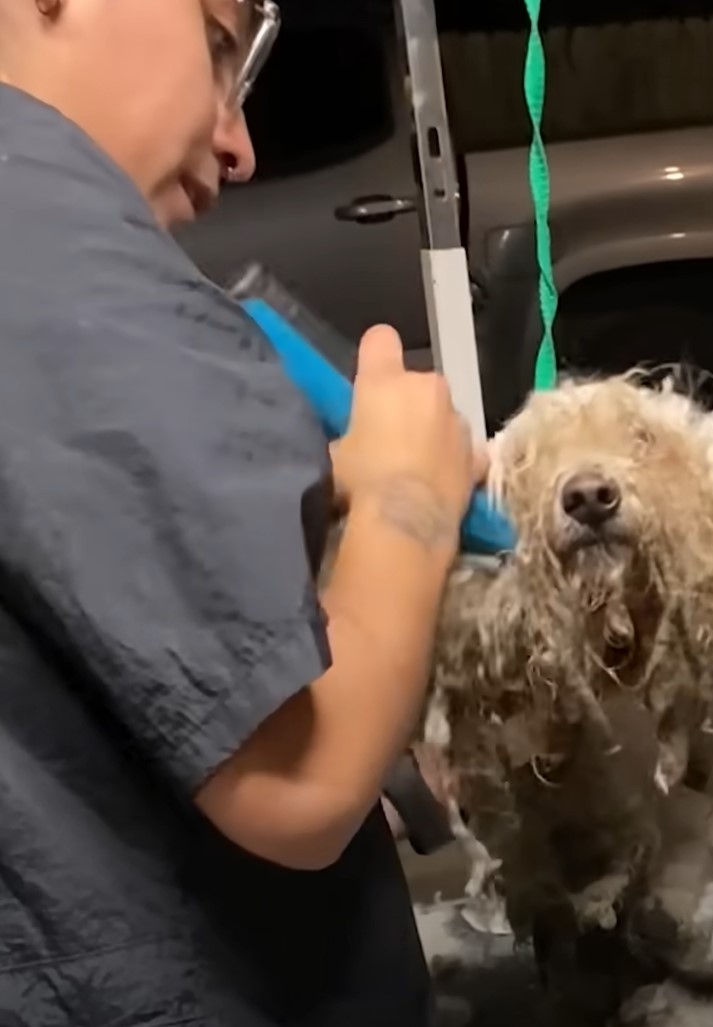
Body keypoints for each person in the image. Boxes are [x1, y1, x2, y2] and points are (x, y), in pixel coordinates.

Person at [0, 0, 485, 1024]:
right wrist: (410, 495)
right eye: (221, 44)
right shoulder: (53, 243)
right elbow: (296, 779)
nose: (240, 143)